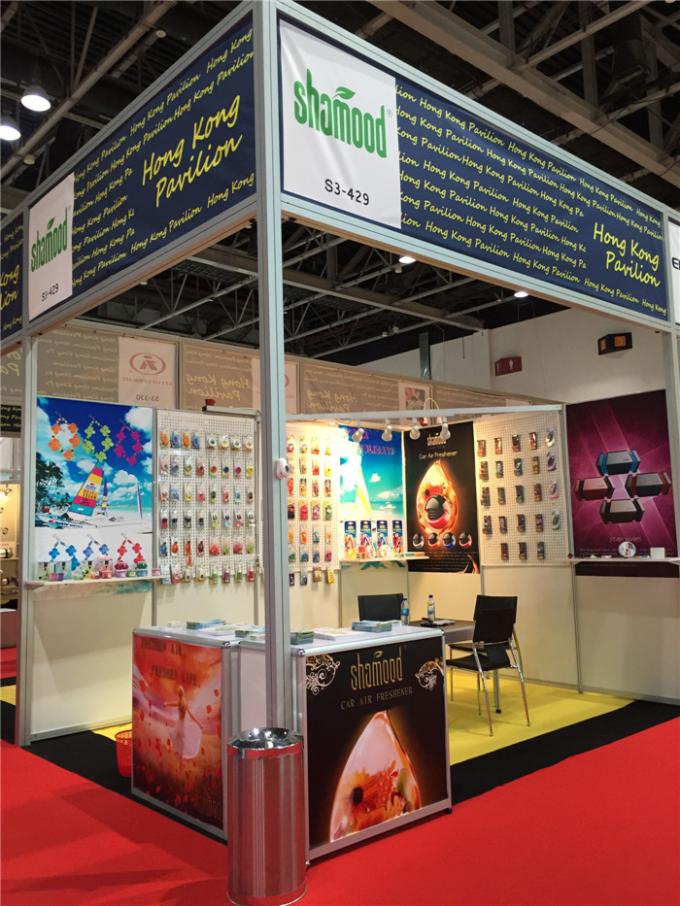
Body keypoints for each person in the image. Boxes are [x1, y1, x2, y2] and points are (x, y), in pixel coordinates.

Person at [164, 686, 202, 761]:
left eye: (178, 692)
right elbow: (191, 715)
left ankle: (178, 754)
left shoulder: (180, 702)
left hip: (180, 724)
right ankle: (178, 753)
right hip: (183, 723)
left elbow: (173, 704)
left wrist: (166, 704)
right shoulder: (185, 702)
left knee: (174, 735)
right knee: (179, 739)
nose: (178, 694)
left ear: (179, 694)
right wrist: (199, 723)